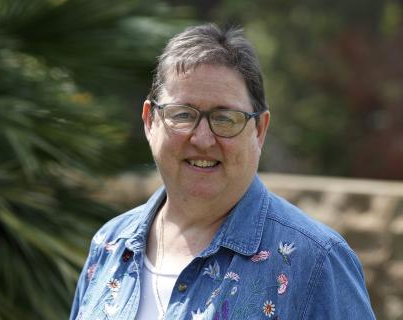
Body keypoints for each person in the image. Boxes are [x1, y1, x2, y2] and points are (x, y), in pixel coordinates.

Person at [70, 23, 376, 320]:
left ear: (259, 130)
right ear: (150, 121)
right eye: (182, 114)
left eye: (225, 118)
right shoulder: (110, 244)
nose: (202, 139)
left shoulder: (316, 262)